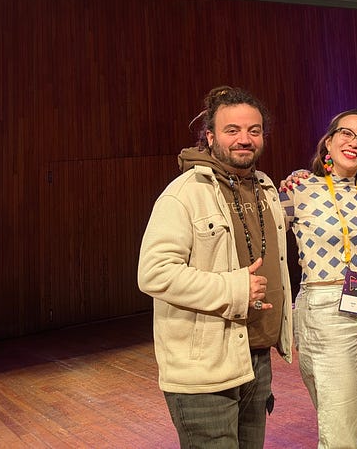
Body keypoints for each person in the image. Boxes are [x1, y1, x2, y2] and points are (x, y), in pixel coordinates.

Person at [138, 85, 293, 449]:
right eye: (232, 130)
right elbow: (154, 272)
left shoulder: (266, 188)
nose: (245, 139)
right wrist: (234, 289)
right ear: (210, 136)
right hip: (205, 371)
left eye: (254, 130)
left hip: (256, 359)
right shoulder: (184, 194)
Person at [281, 111, 357, 449]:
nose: (354, 143)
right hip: (324, 309)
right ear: (328, 142)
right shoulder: (299, 189)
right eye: (346, 133)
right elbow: (265, 234)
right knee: (339, 427)